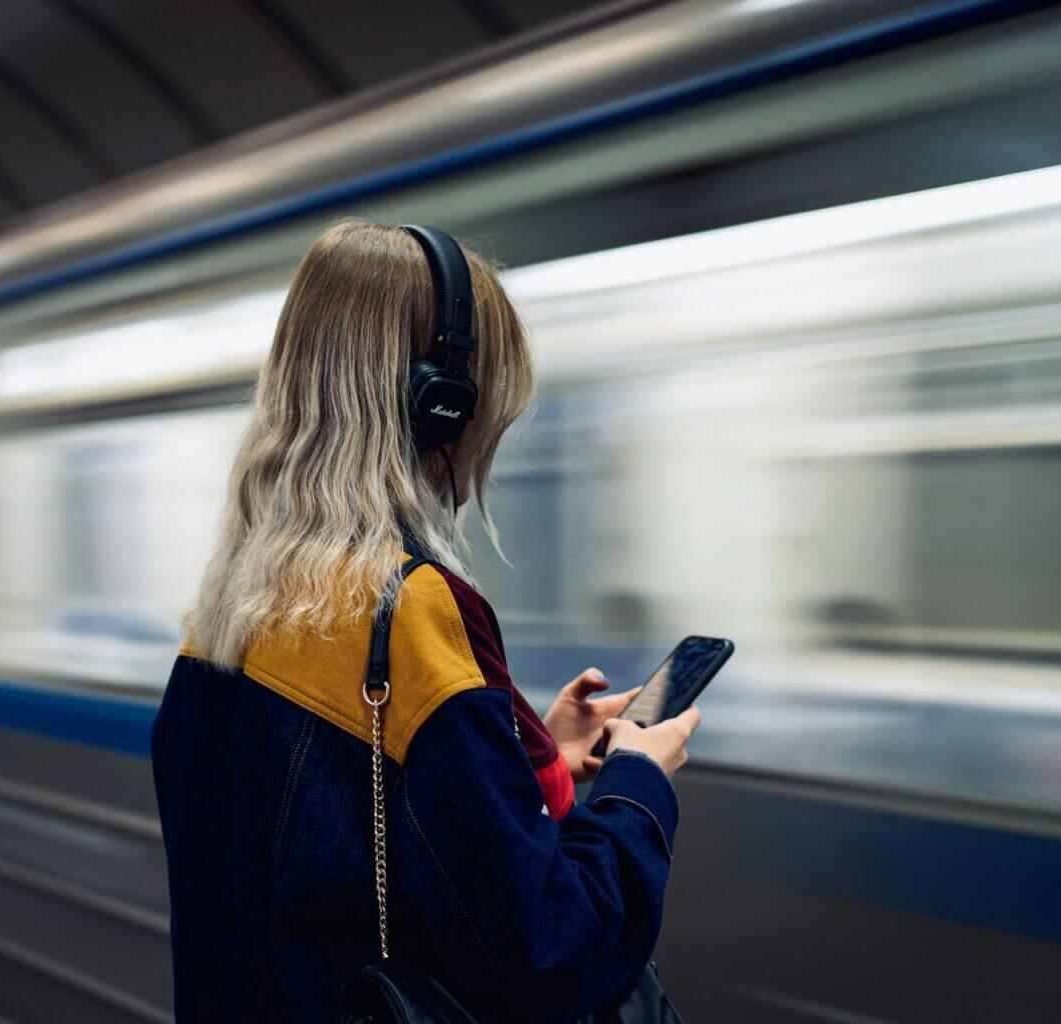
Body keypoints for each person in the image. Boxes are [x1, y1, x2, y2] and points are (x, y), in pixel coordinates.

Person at [151, 220, 701, 1023]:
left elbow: (349, 844)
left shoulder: (222, 620)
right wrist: (638, 785)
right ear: (439, 405)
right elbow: (551, 949)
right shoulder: (405, 614)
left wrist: (530, 752)